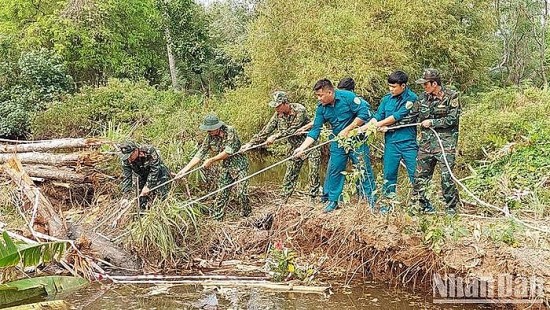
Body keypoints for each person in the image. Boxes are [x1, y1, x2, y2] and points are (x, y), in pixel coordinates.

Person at [293, 79, 376, 213]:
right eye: (317, 96)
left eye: (321, 95)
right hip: (338, 141)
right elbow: (315, 130)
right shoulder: (321, 108)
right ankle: (333, 201)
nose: (319, 99)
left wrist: (349, 129)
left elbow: (364, 114)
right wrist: (302, 147)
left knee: (363, 169)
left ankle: (370, 201)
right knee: (334, 170)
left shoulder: (347, 97)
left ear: (330, 92)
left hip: (357, 139)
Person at [241, 91, 321, 202]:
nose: (276, 109)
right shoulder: (278, 115)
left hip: (310, 143)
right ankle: (283, 199)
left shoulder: (299, 110)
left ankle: (312, 198)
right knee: (290, 173)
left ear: (285, 103)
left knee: (314, 172)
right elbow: (266, 130)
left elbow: (293, 130)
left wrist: (276, 136)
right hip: (294, 146)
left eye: (278, 106)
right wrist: (251, 143)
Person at [360, 70, 418, 213]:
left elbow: (396, 117)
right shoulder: (386, 99)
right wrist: (363, 128)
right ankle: (387, 204)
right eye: (389, 87)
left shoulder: (411, 98)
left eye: (394, 87)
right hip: (391, 143)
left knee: (416, 174)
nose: (391, 90)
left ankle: (421, 204)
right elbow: (378, 116)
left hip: (408, 143)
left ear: (403, 86)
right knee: (389, 175)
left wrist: (377, 126)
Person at [177, 114, 250, 220]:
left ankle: (246, 215)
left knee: (242, 193)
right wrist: (185, 170)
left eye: (210, 130)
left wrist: (211, 160)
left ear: (217, 127)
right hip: (226, 167)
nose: (208, 132)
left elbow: (228, 152)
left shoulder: (230, 131)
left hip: (240, 166)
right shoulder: (210, 136)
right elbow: (200, 153)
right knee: (221, 194)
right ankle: (217, 219)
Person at [411, 68, 461, 215]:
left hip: (445, 144)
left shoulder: (452, 96)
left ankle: (451, 208)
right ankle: (420, 206)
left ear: (434, 83)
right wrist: (388, 126)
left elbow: (452, 119)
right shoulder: (421, 99)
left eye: (426, 84)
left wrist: (432, 122)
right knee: (420, 176)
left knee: (447, 176)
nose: (424, 87)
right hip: (426, 145)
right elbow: (410, 116)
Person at [119, 141, 171, 209]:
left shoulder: (149, 151)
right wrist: (126, 197)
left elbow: (155, 169)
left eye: (130, 156)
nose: (129, 159)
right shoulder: (126, 160)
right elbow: (127, 178)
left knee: (161, 197)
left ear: (136, 150)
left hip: (159, 173)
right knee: (141, 201)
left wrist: (148, 186)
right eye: (126, 157)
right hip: (143, 176)